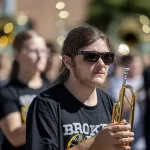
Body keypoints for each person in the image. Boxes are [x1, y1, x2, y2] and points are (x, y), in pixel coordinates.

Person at [26, 25, 134, 150]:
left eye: (107, 57)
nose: (101, 64)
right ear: (68, 62)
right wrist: (95, 143)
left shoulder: (110, 103)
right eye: (91, 56)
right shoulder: (46, 104)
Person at [0, 30, 49, 150]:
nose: (40, 55)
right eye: (33, 50)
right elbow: (15, 137)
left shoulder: (52, 88)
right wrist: (49, 115)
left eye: (43, 50)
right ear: (16, 54)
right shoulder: (7, 92)